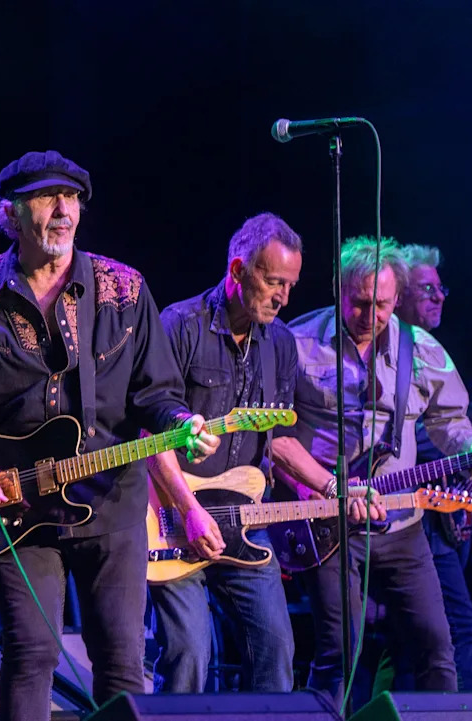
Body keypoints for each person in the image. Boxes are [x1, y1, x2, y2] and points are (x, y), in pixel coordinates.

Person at [0, 150, 218, 720]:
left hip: (111, 501)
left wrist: (181, 425)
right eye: (45, 197)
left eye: (72, 198)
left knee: (121, 661)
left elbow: (155, 394)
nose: (63, 210)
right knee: (32, 650)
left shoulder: (126, 288)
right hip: (16, 501)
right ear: (11, 214)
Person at [146, 213, 383, 694]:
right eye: (274, 282)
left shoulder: (280, 343)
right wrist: (189, 512)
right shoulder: (180, 324)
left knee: (277, 650)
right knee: (189, 654)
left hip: (244, 522)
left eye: (291, 285)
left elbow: (278, 438)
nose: (284, 297)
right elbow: (153, 434)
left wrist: (335, 488)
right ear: (238, 271)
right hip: (174, 518)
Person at [282, 236, 472, 704]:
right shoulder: (297, 342)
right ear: (338, 289)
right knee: (338, 656)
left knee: (438, 648)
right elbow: (274, 437)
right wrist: (315, 487)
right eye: (361, 303)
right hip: (327, 524)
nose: (372, 316)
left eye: (384, 305)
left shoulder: (423, 349)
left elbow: (450, 423)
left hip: (402, 526)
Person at [380, 242, 472, 691]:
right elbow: (414, 446)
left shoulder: (432, 353)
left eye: (440, 288)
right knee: (455, 632)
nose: (439, 297)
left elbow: (448, 429)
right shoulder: (381, 354)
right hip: (397, 520)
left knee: (419, 644)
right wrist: (468, 453)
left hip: (430, 521)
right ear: (400, 296)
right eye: (427, 289)